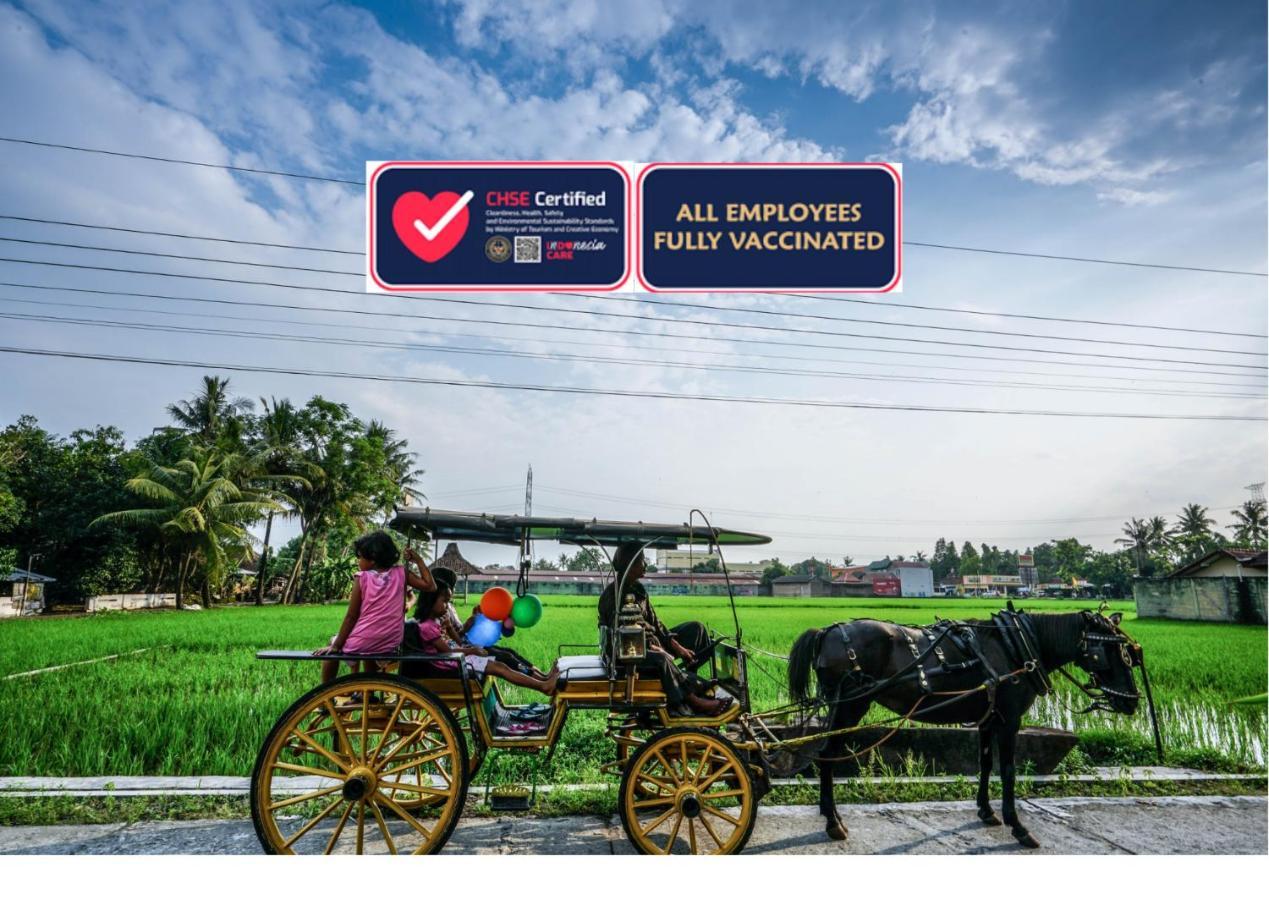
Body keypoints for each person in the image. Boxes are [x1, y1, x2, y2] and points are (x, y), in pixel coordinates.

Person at [598, 543, 730, 716]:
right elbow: (626, 635)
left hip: (649, 644)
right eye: (642, 561)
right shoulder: (613, 596)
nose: (645, 565)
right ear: (630, 564)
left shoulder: (638, 589)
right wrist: (657, 648)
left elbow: (656, 623)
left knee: (696, 629)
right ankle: (692, 699)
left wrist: (676, 647)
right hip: (628, 655)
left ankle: (685, 681)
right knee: (660, 658)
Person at [314, 532, 435, 683]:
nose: (358, 561)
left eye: (360, 557)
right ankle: (368, 693)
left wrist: (336, 645)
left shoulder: (362, 578)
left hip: (367, 640)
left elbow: (352, 616)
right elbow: (430, 586)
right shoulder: (402, 572)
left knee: (333, 650)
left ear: (372, 559)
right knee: (369, 643)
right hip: (391, 641)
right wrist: (419, 560)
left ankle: (326, 693)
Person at [414, 581, 559, 695]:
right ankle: (543, 686)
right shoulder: (428, 626)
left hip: (457, 657)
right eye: (444, 601)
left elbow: (455, 643)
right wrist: (472, 650)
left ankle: (542, 681)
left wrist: (450, 629)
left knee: (504, 661)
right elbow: (447, 651)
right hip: (452, 663)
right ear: (430, 601)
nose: (447, 606)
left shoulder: (436, 622)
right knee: (502, 667)